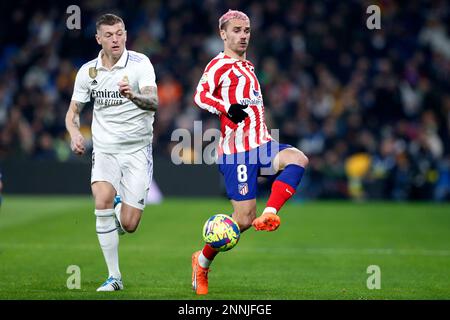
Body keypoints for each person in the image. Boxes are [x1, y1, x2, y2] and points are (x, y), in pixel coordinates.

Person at [192, 10, 309, 295]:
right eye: (236, 30)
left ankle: (270, 213)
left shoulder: (249, 67)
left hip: (263, 144)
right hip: (237, 153)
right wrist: (225, 108)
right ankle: (202, 260)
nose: (243, 35)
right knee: (243, 219)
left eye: (246, 30)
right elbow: (200, 94)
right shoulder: (219, 65)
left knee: (298, 158)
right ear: (223, 34)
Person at [65, 13, 158, 291]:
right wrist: (73, 135)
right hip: (104, 149)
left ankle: (118, 211)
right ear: (98, 39)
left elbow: (154, 101)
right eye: (109, 35)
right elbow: (73, 112)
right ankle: (114, 277)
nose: (115, 39)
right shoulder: (87, 72)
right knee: (102, 198)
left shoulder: (141, 64)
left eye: (119, 33)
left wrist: (134, 96)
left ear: (126, 34)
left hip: (137, 150)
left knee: (129, 224)